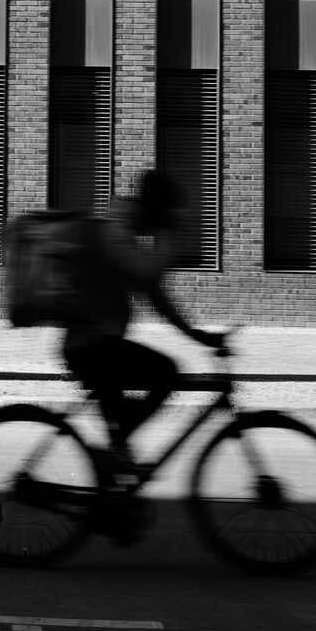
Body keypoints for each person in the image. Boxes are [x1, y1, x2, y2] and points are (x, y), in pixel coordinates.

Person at [62, 167, 230, 493]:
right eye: (166, 215)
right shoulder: (115, 231)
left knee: (122, 436)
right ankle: (111, 461)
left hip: (98, 345)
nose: (168, 222)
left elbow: (157, 298)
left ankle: (114, 481)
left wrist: (199, 336)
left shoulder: (125, 232)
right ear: (154, 209)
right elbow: (147, 274)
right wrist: (168, 238)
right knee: (165, 371)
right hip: (90, 347)